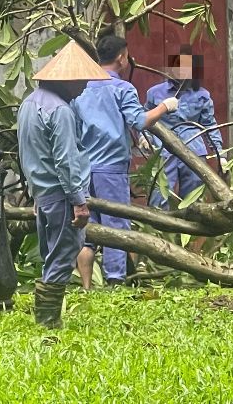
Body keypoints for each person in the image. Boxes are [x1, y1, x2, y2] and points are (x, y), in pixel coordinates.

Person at [17, 40, 110, 329]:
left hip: (43, 193)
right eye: (81, 79)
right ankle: (48, 321)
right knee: (64, 252)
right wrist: (79, 202)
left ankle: (46, 315)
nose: (84, 86)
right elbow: (66, 161)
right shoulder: (61, 112)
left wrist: (35, 192)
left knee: (51, 254)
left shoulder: (29, 104)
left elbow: (28, 153)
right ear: (67, 80)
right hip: (60, 195)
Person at [72, 36, 178, 289]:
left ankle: (86, 286)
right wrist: (165, 106)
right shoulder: (122, 89)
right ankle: (115, 282)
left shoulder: (80, 88)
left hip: (84, 167)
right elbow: (139, 120)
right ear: (122, 57)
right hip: (112, 167)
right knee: (116, 225)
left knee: (88, 226)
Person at [144, 46, 226, 210]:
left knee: (192, 201)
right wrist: (144, 137)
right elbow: (145, 118)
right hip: (163, 150)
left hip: (193, 150)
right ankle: (158, 231)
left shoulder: (202, 95)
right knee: (159, 196)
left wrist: (220, 154)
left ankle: (187, 233)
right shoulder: (155, 93)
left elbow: (209, 125)